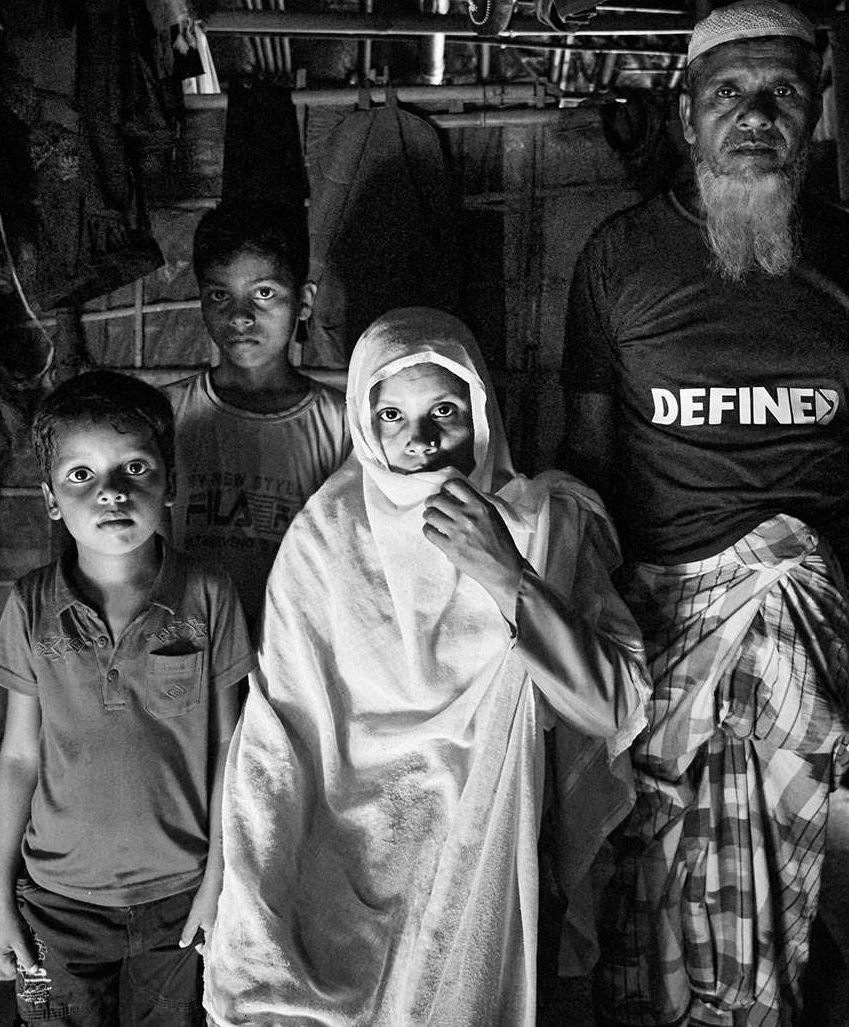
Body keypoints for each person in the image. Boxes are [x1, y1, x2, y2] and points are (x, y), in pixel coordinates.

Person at [562, 0, 849, 1027]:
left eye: (781, 92)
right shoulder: (618, 260)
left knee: (778, 890)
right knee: (639, 873)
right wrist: (576, 648)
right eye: (728, 93)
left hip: (803, 635)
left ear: (814, 111)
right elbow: (583, 467)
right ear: (687, 119)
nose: (755, 113)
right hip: (653, 630)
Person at [203, 308, 651, 1027]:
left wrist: (507, 575)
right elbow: (278, 736)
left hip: (482, 859)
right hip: (338, 857)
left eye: (445, 408)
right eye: (391, 414)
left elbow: (612, 709)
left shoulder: (544, 524)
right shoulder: (324, 539)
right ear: (363, 425)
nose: (422, 437)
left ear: (481, 411)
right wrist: (248, 891)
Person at [0, 371, 253, 1027]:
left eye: (135, 467)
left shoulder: (208, 596)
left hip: (180, 893)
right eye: (81, 475)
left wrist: (220, 880)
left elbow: (232, 752)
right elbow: (19, 758)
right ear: (50, 498)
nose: (112, 493)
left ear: (171, 484)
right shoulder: (31, 605)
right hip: (58, 899)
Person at [166, 202, 350, 629]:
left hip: (297, 654)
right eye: (219, 295)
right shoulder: (165, 416)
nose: (240, 316)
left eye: (264, 293)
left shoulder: (343, 426)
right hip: (187, 650)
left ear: (303, 302)